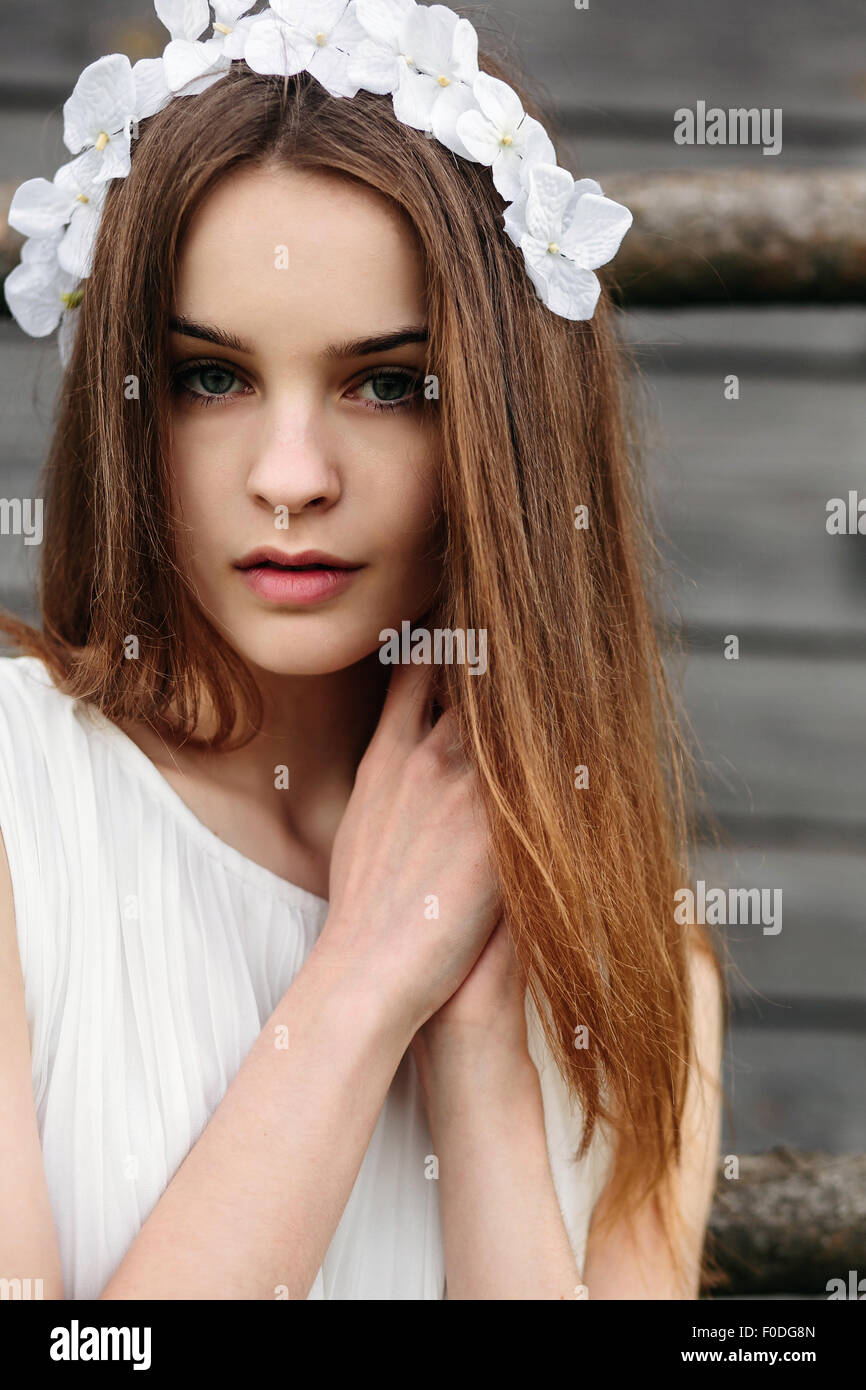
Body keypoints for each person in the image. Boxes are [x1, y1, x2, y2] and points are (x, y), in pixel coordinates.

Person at [0, 2, 724, 1301]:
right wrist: (356, 990)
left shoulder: (635, 956)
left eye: (387, 383)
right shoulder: (15, 803)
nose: (290, 479)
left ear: (503, 426)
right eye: (209, 377)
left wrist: (482, 1088)